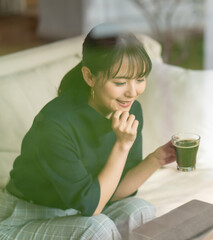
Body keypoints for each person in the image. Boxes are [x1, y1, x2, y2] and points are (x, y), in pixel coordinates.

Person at [0, 23, 176, 240]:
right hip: (23, 217)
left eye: (140, 79)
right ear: (90, 77)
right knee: (96, 227)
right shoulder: (56, 123)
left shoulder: (129, 108)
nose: (132, 92)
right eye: (120, 82)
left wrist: (157, 158)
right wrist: (122, 145)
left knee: (141, 210)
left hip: (78, 211)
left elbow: (115, 192)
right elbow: (91, 208)